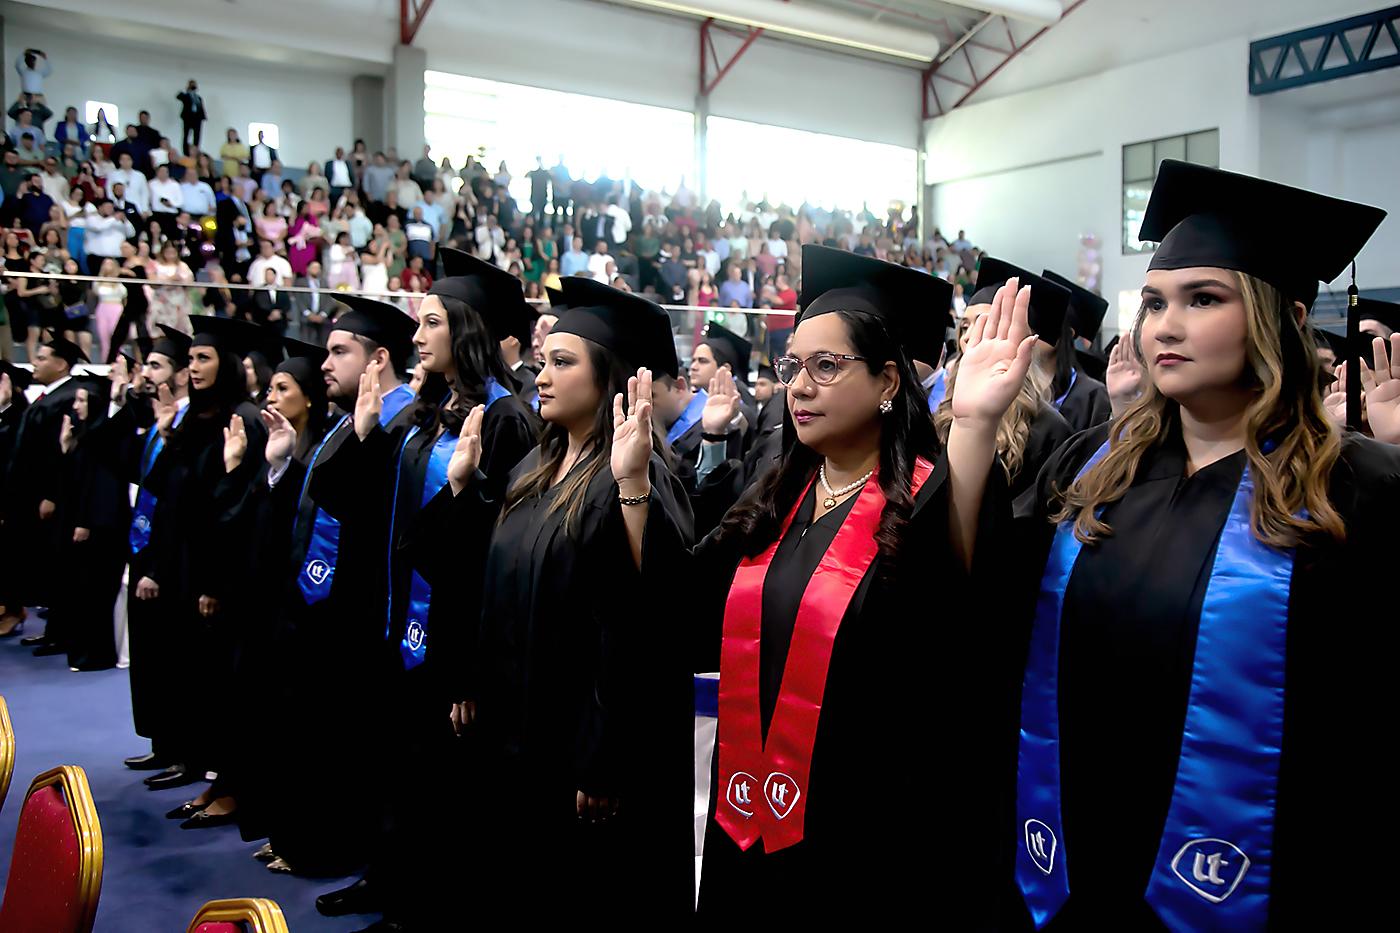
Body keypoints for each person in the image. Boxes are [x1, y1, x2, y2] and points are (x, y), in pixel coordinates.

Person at [1007, 161, 1396, 930]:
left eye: (1203, 299)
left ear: (1277, 317)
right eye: (1153, 303)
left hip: (1262, 876)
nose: (1165, 327)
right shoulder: (1091, 467)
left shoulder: (1355, 486)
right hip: (1076, 863)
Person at [625, 244, 1032, 918]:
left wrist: (975, 421)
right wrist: (634, 483)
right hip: (748, 819)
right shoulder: (774, 498)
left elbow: (957, 583)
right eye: (793, 366)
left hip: (863, 839)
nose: (800, 386)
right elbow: (679, 607)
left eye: (826, 365)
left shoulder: (926, 503)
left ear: (889, 382)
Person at [426, 275, 694, 922]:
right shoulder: (532, 470)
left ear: (611, 378)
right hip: (515, 737)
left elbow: (639, 625)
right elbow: (480, 585)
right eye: (543, 361)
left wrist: (603, 757)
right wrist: (461, 490)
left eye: (563, 362)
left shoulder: (636, 479)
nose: (541, 375)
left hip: (577, 754)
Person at [0, 336, 87, 648]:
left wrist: (51, 494)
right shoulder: (48, 397)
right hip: (27, 495)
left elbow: (57, 454)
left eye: (42, 357)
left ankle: (59, 632)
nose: (34, 361)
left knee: (54, 563)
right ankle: (54, 630)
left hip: (46, 498)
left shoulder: (65, 398)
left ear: (61, 364)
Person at [56, 376, 131, 671]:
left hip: (100, 530)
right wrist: (66, 449)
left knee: (95, 594)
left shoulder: (103, 441)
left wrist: (86, 522)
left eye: (81, 400)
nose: (76, 406)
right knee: (81, 592)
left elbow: (102, 485)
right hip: (83, 525)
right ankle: (82, 650)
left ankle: (95, 654)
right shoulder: (86, 436)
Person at [176, 79, 207, 151]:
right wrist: (187, 90)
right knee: (186, 135)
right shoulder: (186, 96)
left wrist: (203, 117)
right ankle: (186, 151)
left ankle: (195, 150)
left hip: (197, 119)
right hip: (187, 118)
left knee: (197, 136)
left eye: (194, 85)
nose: (193, 86)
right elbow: (178, 96)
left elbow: (201, 108)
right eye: (192, 85)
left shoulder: (198, 97)